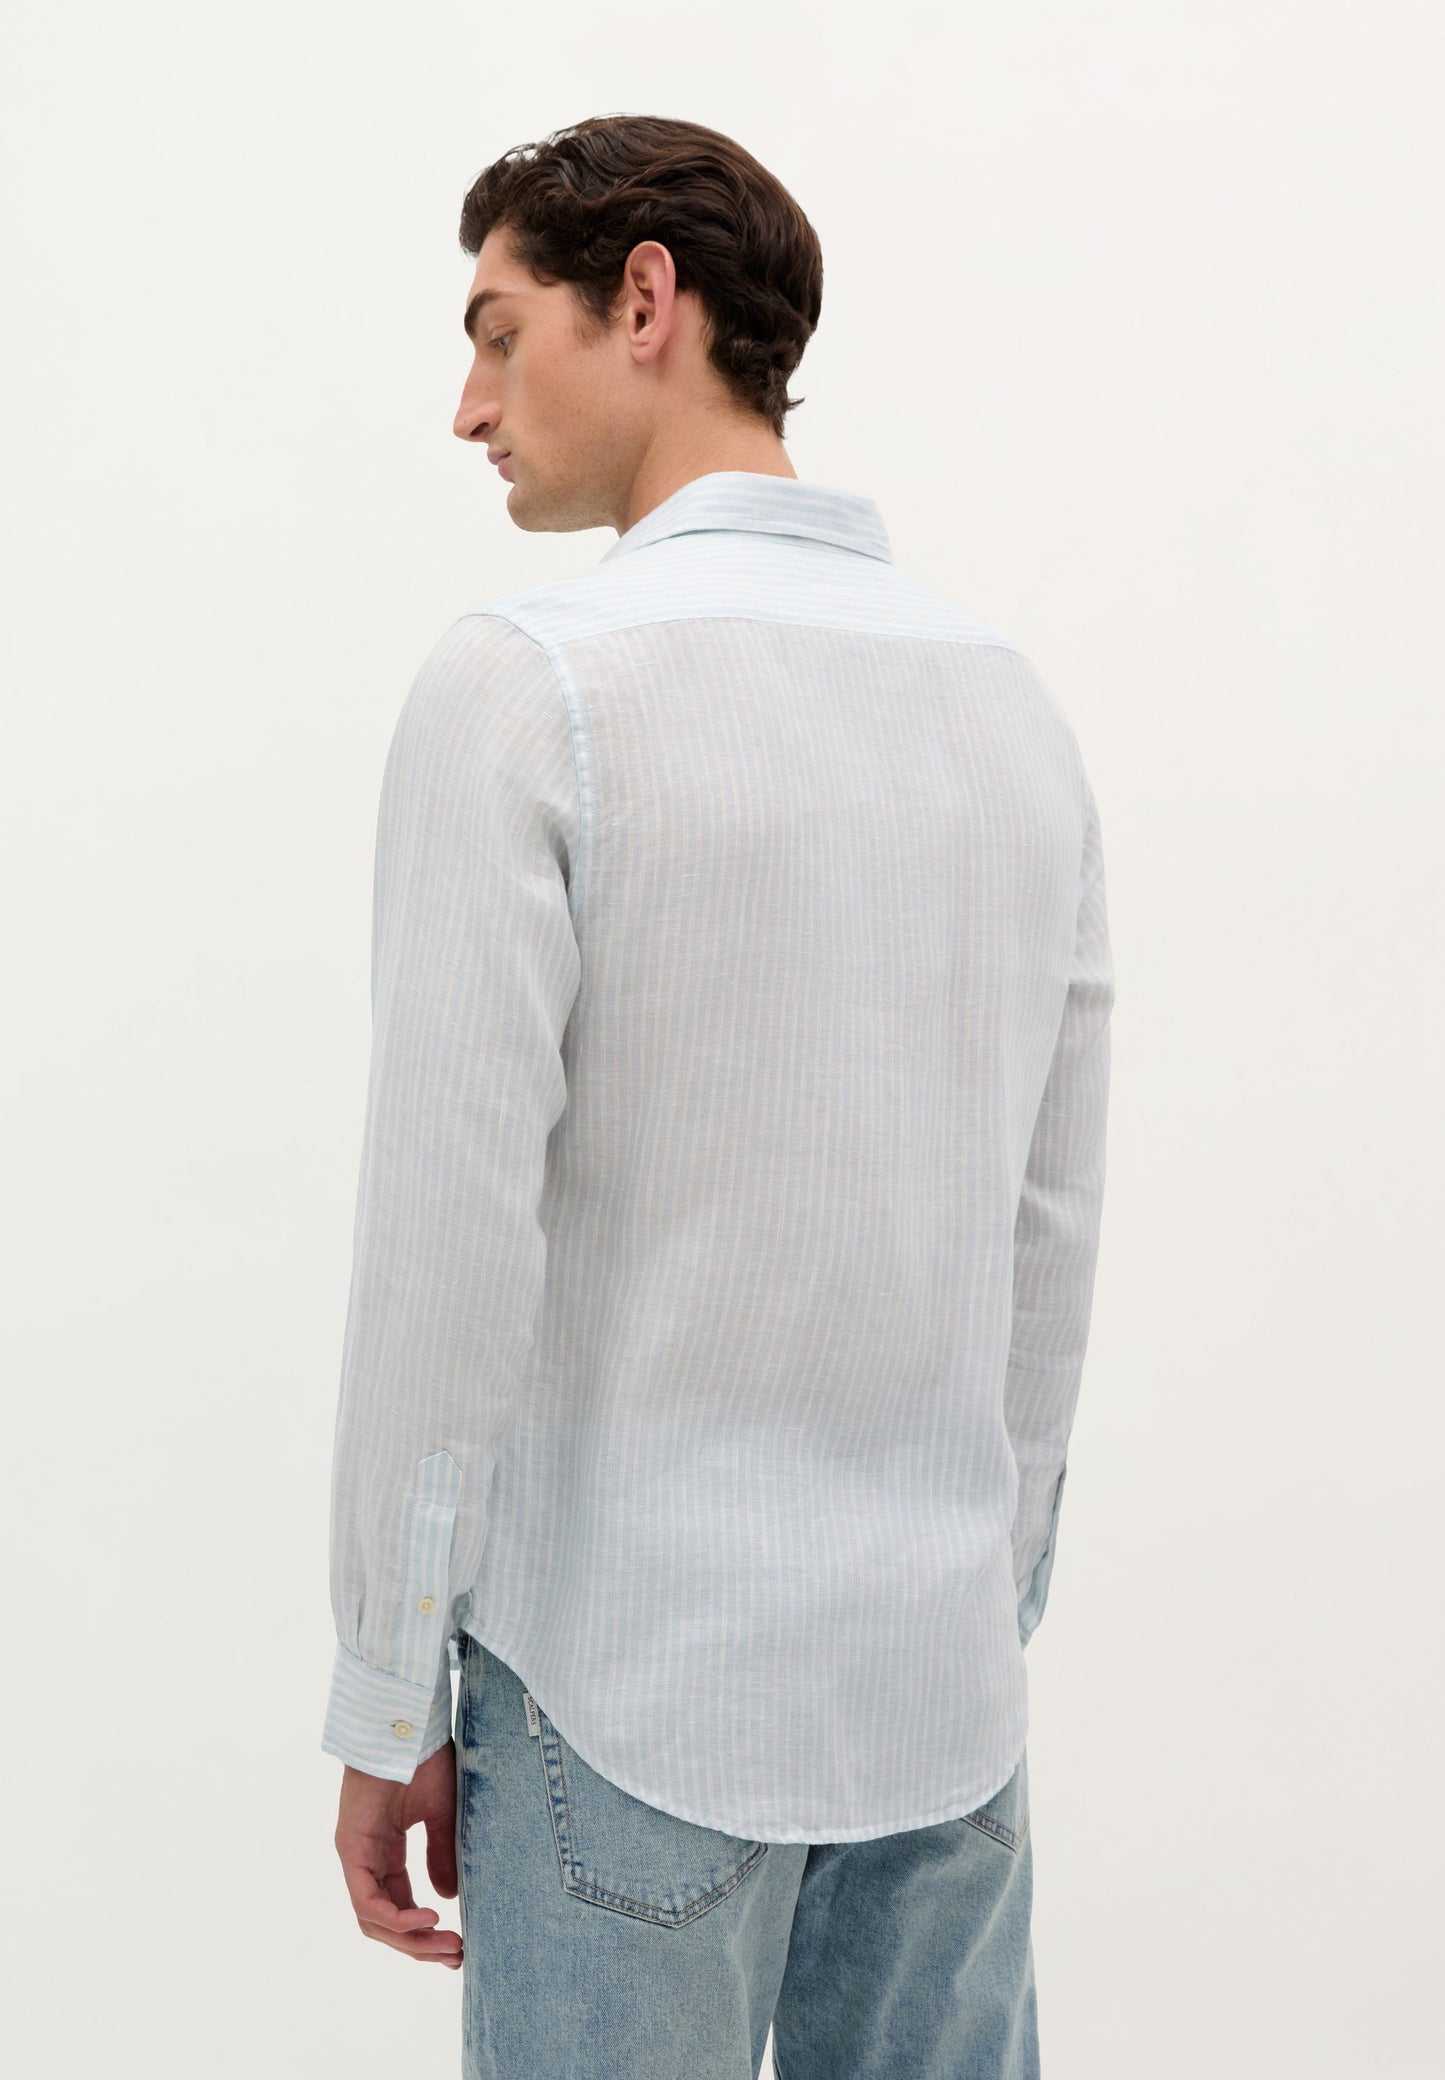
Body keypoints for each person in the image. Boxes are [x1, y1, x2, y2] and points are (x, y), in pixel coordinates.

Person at [321, 112, 1114, 2080]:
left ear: (645, 303)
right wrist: (986, 1585)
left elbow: (448, 1240)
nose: (468, 405)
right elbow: (1052, 1219)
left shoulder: (529, 686)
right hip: (941, 1699)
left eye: (500, 334)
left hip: (621, 1684)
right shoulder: (1006, 704)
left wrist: (384, 1682)